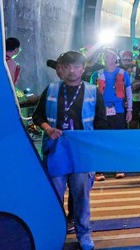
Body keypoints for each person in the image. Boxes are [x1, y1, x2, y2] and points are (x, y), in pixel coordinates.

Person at [32, 51, 106, 250]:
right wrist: (48, 129)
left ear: (83, 68)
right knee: (54, 195)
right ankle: (54, 232)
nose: (72, 70)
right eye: (67, 66)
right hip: (55, 150)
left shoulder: (93, 91)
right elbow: (38, 116)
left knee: (81, 195)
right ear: (61, 69)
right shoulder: (51, 89)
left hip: (82, 152)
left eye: (76, 66)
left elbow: (101, 123)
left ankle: (84, 234)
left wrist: (95, 152)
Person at [90, 49, 132, 180]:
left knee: (118, 139)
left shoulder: (123, 74)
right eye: (104, 56)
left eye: (109, 56)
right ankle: (100, 169)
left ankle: (119, 167)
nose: (106, 58)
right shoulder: (96, 74)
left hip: (118, 110)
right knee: (100, 139)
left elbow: (128, 92)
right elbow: (91, 93)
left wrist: (129, 110)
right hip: (100, 111)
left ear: (115, 58)